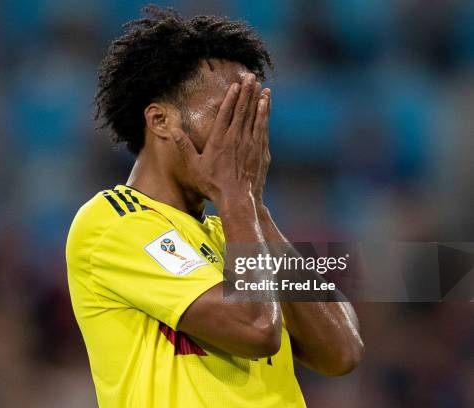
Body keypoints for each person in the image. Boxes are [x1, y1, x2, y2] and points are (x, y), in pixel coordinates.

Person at [66, 6, 363, 407]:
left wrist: (255, 208)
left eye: (252, 117)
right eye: (228, 114)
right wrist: (239, 198)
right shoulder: (114, 223)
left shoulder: (238, 230)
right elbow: (256, 327)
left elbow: (342, 350)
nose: (244, 137)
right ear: (160, 121)